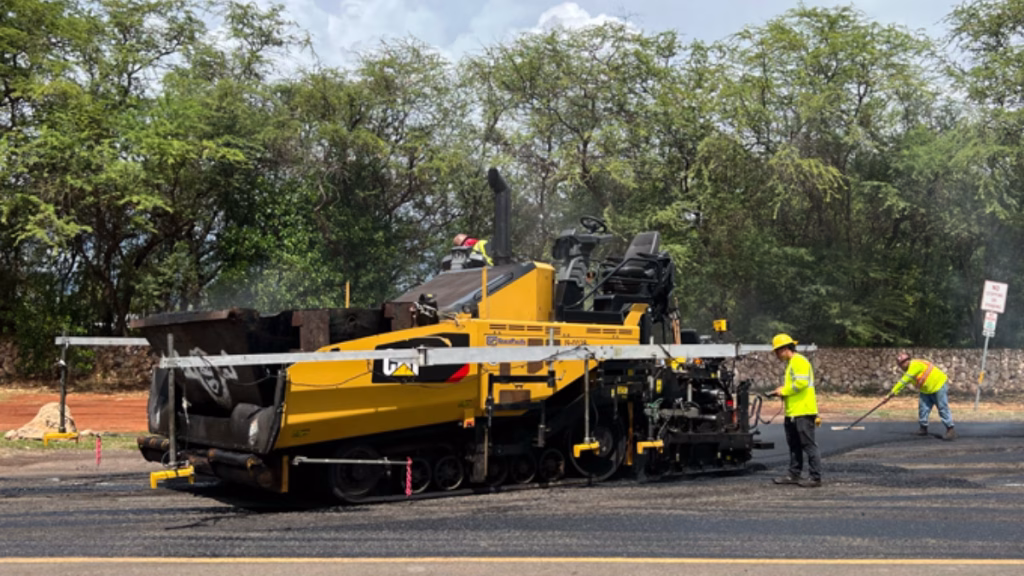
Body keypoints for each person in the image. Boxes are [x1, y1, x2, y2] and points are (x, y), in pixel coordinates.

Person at [769, 333, 822, 488]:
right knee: (794, 445)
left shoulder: (799, 361)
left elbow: (801, 384)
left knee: (808, 445)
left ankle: (815, 477)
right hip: (793, 412)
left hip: (803, 411)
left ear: (784, 349)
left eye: (777, 351)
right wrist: (782, 390)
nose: (776, 355)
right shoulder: (791, 363)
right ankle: (794, 474)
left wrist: (783, 391)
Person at [888, 353, 956, 441]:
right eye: (900, 364)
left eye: (902, 363)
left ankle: (950, 429)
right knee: (923, 408)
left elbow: (903, 381)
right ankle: (923, 428)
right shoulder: (909, 369)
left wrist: (892, 393)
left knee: (942, 407)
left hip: (938, 385)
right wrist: (893, 393)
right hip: (926, 389)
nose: (901, 366)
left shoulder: (914, 366)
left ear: (907, 361)